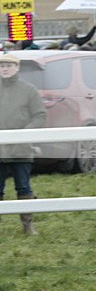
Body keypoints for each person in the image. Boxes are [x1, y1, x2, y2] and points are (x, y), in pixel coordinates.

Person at [0, 53, 46, 235]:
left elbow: (40, 115)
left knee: (23, 186)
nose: (4, 69)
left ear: (17, 68)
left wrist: (25, 133)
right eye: (2, 66)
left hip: (21, 148)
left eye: (8, 66)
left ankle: (27, 225)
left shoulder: (29, 90)